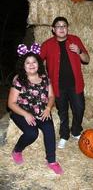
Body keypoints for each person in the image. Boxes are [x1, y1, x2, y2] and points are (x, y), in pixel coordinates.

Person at [8, 43, 63, 175]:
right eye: (28, 62)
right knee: (32, 133)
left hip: (41, 112)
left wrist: (49, 108)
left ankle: (51, 161)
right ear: (23, 65)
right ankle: (17, 150)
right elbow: (11, 103)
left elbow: (51, 96)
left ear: (39, 64)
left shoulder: (45, 79)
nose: (31, 64)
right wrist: (26, 114)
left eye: (34, 62)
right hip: (21, 112)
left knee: (49, 129)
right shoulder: (19, 80)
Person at [40, 16, 90, 149]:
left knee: (79, 109)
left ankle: (75, 131)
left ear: (67, 28)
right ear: (53, 29)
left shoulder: (75, 40)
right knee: (62, 112)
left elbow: (87, 59)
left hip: (75, 85)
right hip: (57, 86)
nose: (61, 28)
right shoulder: (47, 44)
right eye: (58, 26)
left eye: (64, 26)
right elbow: (36, 60)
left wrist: (79, 51)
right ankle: (64, 135)